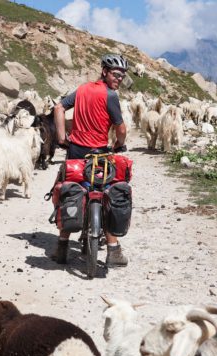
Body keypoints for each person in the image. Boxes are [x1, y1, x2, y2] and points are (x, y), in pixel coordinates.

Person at [52, 53, 129, 267]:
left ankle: (61, 248)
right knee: (106, 194)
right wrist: (118, 144)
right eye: (116, 74)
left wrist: (61, 138)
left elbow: (58, 107)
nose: (119, 78)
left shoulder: (82, 89)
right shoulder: (111, 95)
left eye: (122, 75)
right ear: (104, 71)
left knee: (70, 192)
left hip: (76, 152)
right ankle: (113, 250)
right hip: (100, 155)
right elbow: (120, 128)